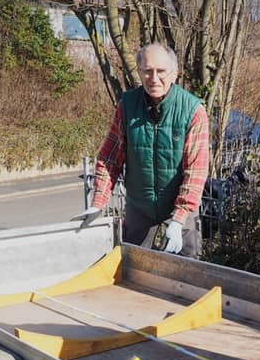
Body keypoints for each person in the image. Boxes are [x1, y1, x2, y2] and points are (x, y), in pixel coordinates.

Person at [75, 43, 209, 258]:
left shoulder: (193, 110)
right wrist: (98, 203)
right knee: (134, 266)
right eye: (147, 71)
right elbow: (110, 159)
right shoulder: (127, 106)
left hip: (180, 203)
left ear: (174, 74)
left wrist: (179, 218)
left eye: (161, 71)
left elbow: (196, 171)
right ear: (139, 72)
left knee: (187, 271)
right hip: (139, 204)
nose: (154, 78)